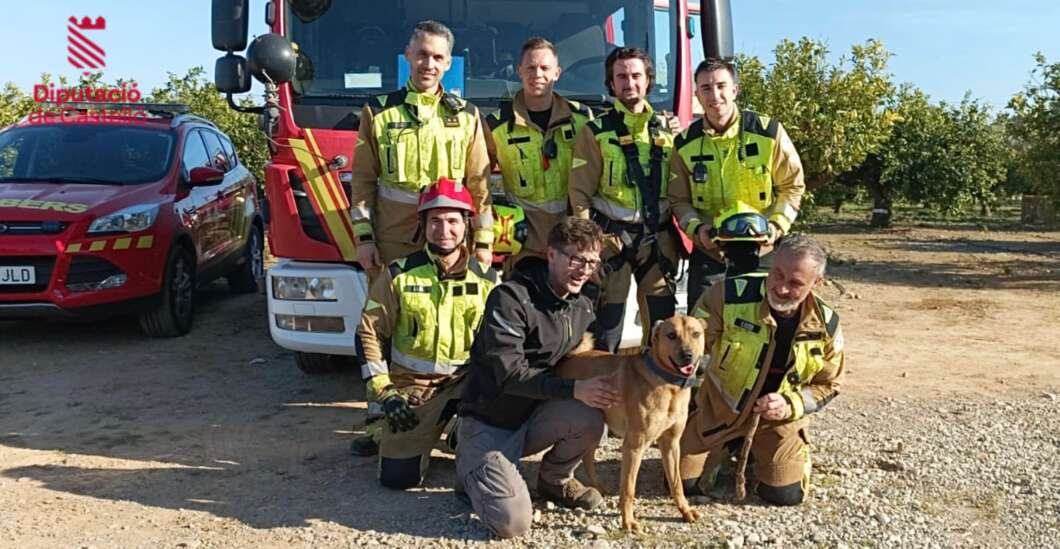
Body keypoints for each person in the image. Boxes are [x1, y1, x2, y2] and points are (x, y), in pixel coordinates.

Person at [456, 217, 615, 539]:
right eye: (576, 258)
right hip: (490, 422)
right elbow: (509, 375)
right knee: (512, 523)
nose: (584, 269)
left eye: (592, 261)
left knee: (590, 418)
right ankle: (470, 470)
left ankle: (554, 480)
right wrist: (574, 388)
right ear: (551, 255)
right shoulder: (510, 298)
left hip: (534, 416)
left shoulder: (582, 305)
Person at [350, 178, 499, 490]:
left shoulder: (487, 280)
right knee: (397, 478)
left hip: (466, 387)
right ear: (422, 224)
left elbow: (502, 344)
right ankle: (388, 430)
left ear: (467, 224)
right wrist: (385, 392)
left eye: (452, 221)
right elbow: (368, 333)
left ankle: (462, 430)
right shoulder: (398, 274)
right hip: (414, 391)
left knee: (487, 447)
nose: (444, 230)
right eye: (435, 221)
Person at [679, 235, 845, 506]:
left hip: (777, 421)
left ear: (817, 284)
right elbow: (689, 353)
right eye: (777, 275)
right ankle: (726, 447)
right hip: (720, 414)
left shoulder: (827, 325)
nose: (780, 288)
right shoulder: (726, 297)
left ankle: (766, 453)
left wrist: (790, 404)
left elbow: (830, 384)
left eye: (795, 283)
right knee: (682, 483)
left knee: (784, 495)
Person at [349, 20, 494, 270]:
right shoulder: (378, 112)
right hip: (394, 239)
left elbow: (479, 185)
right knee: (389, 307)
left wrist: (482, 241)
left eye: (438, 57)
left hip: (449, 238)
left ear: (448, 63)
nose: (429, 65)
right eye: (422, 55)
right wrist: (364, 240)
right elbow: (363, 181)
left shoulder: (467, 115)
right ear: (408, 55)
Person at [669, 59, 805, 309]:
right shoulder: (684, 144)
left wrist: (776, 226)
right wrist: (697, 230)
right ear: (697, 94)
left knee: (762, 329)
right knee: (706, 331)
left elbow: (792, 186)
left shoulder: (768, 133)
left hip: (762, 252)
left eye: (721, 86)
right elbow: (679, 200)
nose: (715, 95)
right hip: (711, 254)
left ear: (735, 90)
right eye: (706, 88)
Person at [568, 47, 678, 352]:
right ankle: (598, 396)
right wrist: (587, 245)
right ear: (611, 84)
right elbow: (579, 192)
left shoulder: (669, 131)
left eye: (636, 75)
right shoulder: (595, 132)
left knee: (662, 328)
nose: (629, 82)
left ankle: (653, 395)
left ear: (648, 81)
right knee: (606, 329)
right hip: (611, 242)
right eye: (621, 77)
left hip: (657, 242)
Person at [485, 37, 594, 272]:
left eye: (545, 68)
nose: (538, 74)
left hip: (571, 239)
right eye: (531, 68)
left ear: (557, 73)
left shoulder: (583, 120)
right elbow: (478, 181)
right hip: (523, 240)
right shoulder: (496, 125)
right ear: (519, 71)